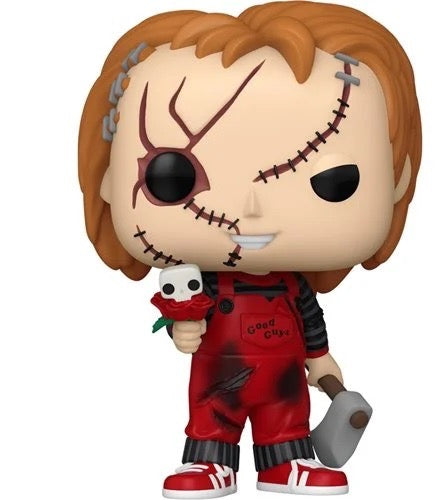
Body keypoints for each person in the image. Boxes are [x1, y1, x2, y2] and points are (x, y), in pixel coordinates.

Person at [79, 1, 421, 497]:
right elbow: (183, 308)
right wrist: (182, 326)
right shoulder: (202, 280)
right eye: (173, 176)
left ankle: (288, 460)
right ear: (109, 180)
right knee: (211, 413)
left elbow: (309, 316)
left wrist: (321, 358)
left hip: (284, 373)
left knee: (286, 414)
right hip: (219, 369)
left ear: (397, 178)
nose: (251, 209)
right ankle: (209, 462)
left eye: (333, 180)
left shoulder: (292, 285)